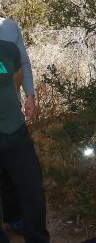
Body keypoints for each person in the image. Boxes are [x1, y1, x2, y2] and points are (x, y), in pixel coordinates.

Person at [0, 20, 49, 243]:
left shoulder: (7, 48)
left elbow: (19, 70)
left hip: (15, 132)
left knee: (33, 193)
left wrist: (22, 97)